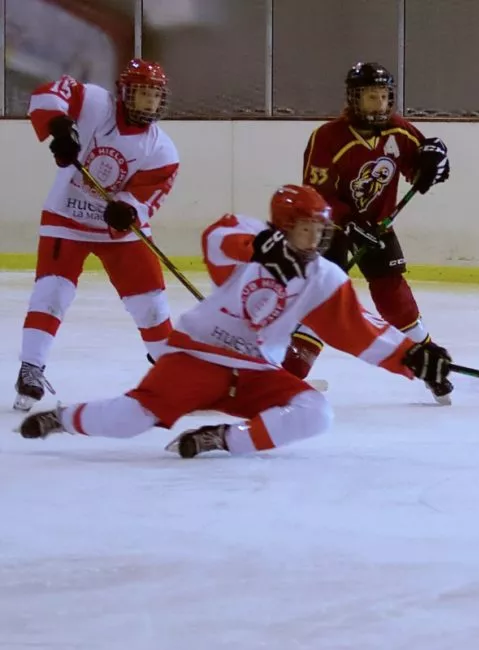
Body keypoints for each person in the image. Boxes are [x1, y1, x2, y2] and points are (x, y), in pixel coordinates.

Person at [17, 185, 452, 459]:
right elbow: (216, 238)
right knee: (132, 418)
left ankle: (221, 439)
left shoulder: (323, 277)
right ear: (282, 227)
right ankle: (64, 418)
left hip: (259, 372)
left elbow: (358, 332)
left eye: (321, 230)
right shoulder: (248, 244)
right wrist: (261, 245)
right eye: (307, 229)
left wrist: (412, 357)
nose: (318, 238)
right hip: (198, 356)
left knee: (316, 413)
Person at [15, 59, 181, 412]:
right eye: (142, 93)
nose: (149, 102)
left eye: (155, 95)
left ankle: (172, 373)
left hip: (117, 233)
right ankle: (31, 367)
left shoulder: (161, 150)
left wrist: (128, 209)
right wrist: (59, 126)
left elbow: (148, 197)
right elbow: (46, 96)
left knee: (151, 303)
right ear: (124, 92)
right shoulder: (93, 102)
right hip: (66, 216)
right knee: (52, 293)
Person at [288, 61, 452, 403]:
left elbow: (420, 162)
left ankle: (427, 360)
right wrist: (348, 223)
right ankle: (289, 375)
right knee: (325, 301)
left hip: (377, 226)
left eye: (383, 96)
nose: (378, 104)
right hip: (328, 229)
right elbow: (316, 197)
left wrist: (434, 163)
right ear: (353, 99)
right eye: (369, 97)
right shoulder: (328, 137)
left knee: (394, 295)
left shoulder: (399, 130)